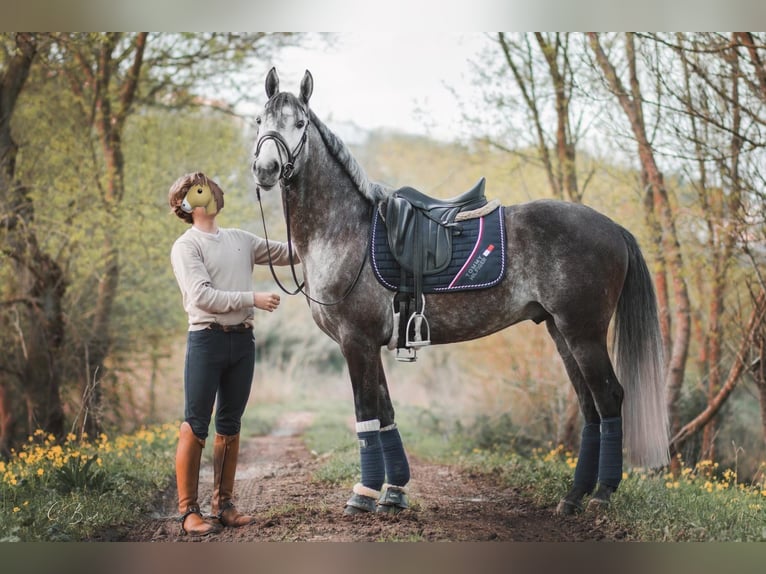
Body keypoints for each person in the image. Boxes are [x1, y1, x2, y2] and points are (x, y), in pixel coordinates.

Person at [167, 171, 295, 536]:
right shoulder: (186, 246)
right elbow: (202, 296)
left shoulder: (240, 239)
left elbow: (290, 253)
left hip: (242, 342)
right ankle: (188, 512)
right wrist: (251, 298)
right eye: (202, 187)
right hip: (206, 341)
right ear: (188, 204)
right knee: (195, 424)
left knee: (231, 424)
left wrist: (311, 222)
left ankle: (223, 505)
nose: (215, 189)